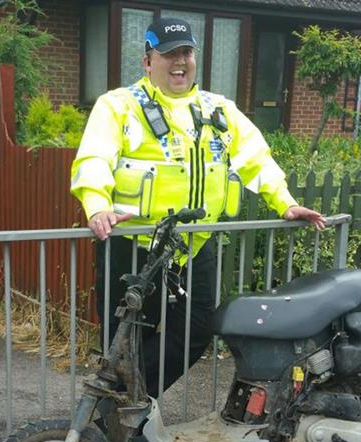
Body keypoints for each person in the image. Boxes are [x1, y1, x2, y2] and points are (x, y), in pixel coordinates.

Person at [71, 17, 325, 398]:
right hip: (131, 247)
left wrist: (284, 202)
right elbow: (92, 159)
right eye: (168, 53)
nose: (179, 61)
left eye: (186, 52)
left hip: (193, 247)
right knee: (121, 342)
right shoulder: (118, 106)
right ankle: (118, 430)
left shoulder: (218, 110)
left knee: (195, 333)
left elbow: (257, 159)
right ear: (147, 61)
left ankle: (132, 405)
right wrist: (96, 205)